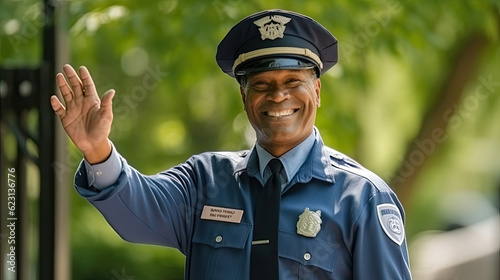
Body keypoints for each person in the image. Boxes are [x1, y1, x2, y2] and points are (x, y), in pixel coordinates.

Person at [51, 9, 412, 280]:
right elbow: (137, 215)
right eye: (262, 84)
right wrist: (96, 149)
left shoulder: (361, 198)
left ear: (316, 90)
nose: (278, 96)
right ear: (244, 95)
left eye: (292, 81)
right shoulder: (205, 181)